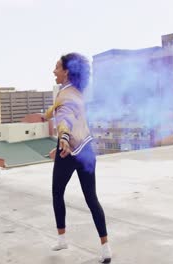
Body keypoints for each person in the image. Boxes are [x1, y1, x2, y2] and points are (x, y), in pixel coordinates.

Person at [44, 53, 112, 263]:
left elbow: (65, 117)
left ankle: (62, 238)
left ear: (66, 71)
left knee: (57, 192)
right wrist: (46, 116)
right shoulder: (76, 92)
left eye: (56, 67)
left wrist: (63, 139)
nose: (53, 71)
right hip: (87, 149)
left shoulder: (65, 96)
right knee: (92, 199)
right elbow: (63, 112)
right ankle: (105, 248)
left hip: (69, 150)